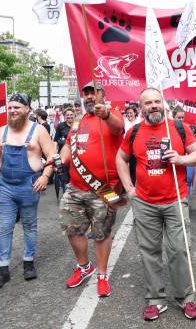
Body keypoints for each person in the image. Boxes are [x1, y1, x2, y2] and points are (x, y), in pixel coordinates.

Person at [116, 88, 196, 321]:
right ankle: (155, 299)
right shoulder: (134, 131)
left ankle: (185, 297)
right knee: (149, 252)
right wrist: (129, 189)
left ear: (163, 103)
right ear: (141, 106)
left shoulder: (178, 127)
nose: (153, 106)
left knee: (179, 249)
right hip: (144, 202)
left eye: (157, 101)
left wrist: (181, 158)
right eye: (148, 103)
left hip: (175, 199)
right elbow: (121, 158)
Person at [58, 81, 124, 297]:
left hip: (104, 189)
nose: (89, 97)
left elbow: (118, 127)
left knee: (101, 233)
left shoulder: (112, 115)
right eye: (86, 94)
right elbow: (69, 145)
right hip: (75, 188)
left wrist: (105, 114)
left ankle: (102, 275)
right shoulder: (77, 122)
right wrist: (59, 159)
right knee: (72, 229)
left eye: (93, 93)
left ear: (102, 95)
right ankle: (85, 266)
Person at [0, 93, 55, 289]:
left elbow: (52, 157)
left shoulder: (38, 130)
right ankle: (2, 269)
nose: (13, 111)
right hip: (6, 186)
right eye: (10, 107)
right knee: (5, 227)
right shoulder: (2, 132)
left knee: (29, 225)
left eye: (17, 107)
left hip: (29, 185)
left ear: (27, 110)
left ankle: (28, 262)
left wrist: (45, 176)